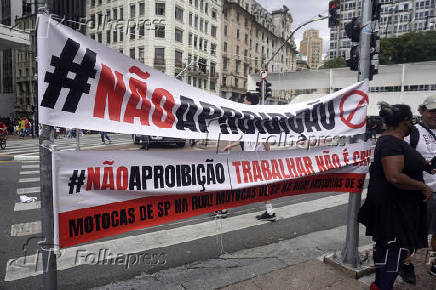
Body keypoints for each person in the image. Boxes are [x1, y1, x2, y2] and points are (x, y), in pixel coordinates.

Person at [358, 103, 434, 290]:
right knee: (395, 251)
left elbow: (405, 163)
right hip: (394, 209)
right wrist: (423, 186)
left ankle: (380, 285)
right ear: (405, 121)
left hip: (394, 206)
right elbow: (394, 176)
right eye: (411, 120)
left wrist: (425, 165)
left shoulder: (390, 141)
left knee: (387, 248)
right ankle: (382, 286)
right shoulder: (392, 142)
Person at [221, 93, 276, 221]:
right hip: (250, 158)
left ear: (249, 102)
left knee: (237, 181)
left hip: (256, 159)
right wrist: (231, 146)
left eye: (244, 100)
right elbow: (246, 139)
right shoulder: (249, 118)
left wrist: (269, 156)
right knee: (253, 184)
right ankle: (270, 211)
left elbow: (264, 138)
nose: (243, 102)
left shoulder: (256, 119)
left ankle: (224, 208)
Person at [404, 95, 436, 279]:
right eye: (432, 110)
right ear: (422, 111)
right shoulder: (412, 133)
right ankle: (406, 263)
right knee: (412, 232)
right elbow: (401, 161)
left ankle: (433, 263)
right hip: (420, 193)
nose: (435, 115)